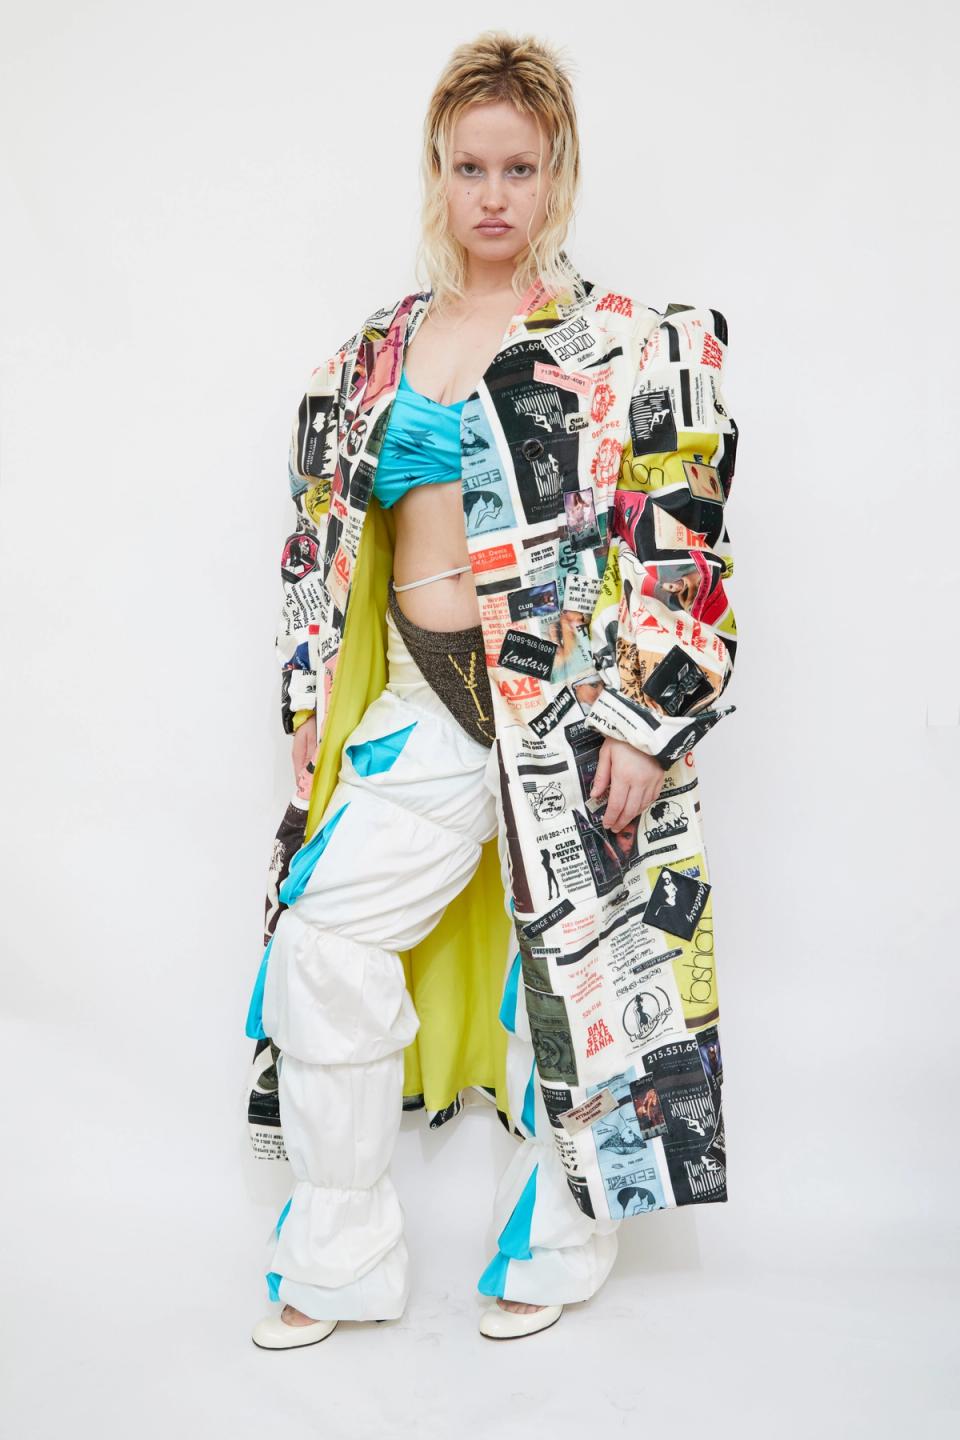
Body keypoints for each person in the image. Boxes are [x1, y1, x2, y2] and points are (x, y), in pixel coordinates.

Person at [245, 29, 739, 1351]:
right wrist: (308, 701)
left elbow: (681, 542)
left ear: (558, 174)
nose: (495, 195)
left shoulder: (627, 342)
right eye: (470, 167)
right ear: (437, 174)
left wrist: (646, 719)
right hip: (419, 700)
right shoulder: (372, 352)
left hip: (567, 708)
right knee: (323, 942)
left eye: (521, 167)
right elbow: (315, 539)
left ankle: (563, 1244)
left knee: (576, 979)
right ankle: (340, 1253)